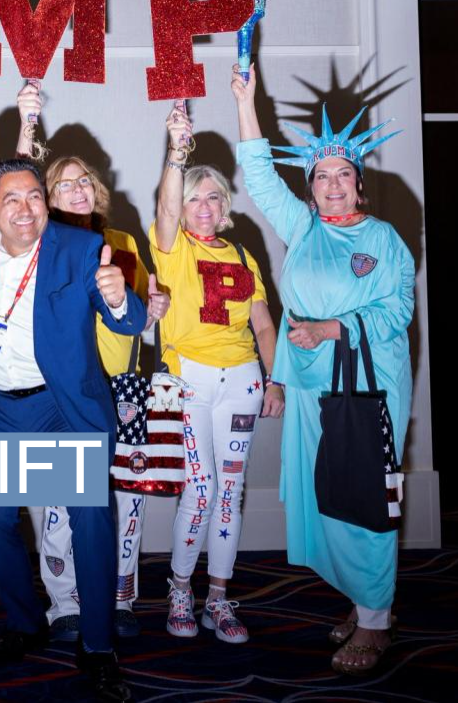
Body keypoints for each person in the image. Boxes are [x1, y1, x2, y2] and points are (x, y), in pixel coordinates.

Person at [232, 64, 413, 675]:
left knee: (363, 499)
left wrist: (335, 329)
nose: (333, 186)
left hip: (367, 390)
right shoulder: (303, 228)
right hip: (312, 387)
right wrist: (245, 99)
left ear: (360, 184)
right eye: (322, 176)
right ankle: (364, 600)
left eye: (344, 175)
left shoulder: (384, 239)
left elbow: (398, 309)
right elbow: (258, 176)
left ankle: (375, 622)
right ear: (310, 188)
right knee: (324, 496)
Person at [0, 158, 159, 703]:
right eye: (11, 201)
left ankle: (97, 646)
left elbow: (128, 319)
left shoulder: (78, 249)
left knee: (89, 521)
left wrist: (118, 297)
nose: (25, 210)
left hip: (60, 406)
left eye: (34, 198)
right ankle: (26, 623)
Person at [15, 83, 165, 641]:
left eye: (83, 181)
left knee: (123, 497)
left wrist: (155, 309)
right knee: (57, 502)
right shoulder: (37, 242)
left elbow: (139, 319)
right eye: (63, 183)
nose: (77, 190)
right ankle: (66, 604)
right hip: (60, 388)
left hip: (120, 385)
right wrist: (29, 121)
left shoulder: (123, 240)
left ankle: (119, 599)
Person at [151, 104, 283, 644]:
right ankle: (180, 588)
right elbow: (162, 203)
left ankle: (219, 598)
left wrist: (276, 380)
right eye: (192, 199)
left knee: (230, 490)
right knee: (201, 487)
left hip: (244, 379)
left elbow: (264, 325)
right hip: (192, 378)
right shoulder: (172, 247)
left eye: (212, 198)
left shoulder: (243, 254)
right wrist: (177, 151)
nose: (201, 207)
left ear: (223, 206)